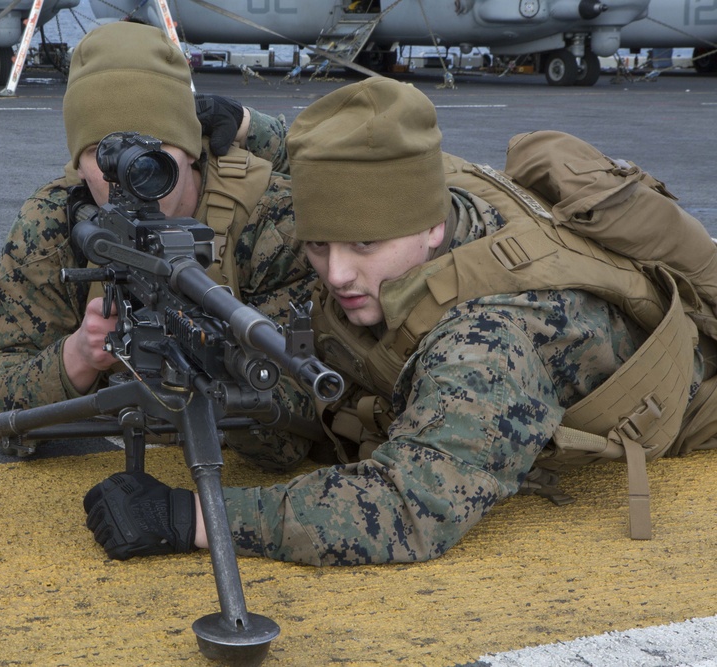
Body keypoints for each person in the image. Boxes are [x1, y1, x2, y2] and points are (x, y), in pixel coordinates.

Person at [83, 78, 717, 566]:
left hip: (688, 403)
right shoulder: (422, 189)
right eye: (318, 246)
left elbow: (408, 511)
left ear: (431, 228)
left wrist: (193, 516)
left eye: (363, 247)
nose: (336, 275)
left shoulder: (487, 344)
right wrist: (251, 128)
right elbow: (367, 149)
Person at [0, 21, 317, 461]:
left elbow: (303, 427)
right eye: (106, 155)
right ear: (77, 163)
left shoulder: (267, 219)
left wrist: (220, 365)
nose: (132, 180)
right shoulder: (54, 221)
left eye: (153, 155)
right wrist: (77, 356)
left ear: (192, 148)